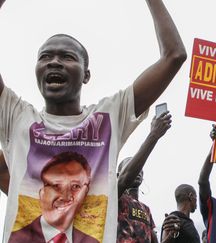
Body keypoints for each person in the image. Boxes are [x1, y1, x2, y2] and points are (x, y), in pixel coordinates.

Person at [0, 0, 186, 241]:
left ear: (86, 75)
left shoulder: (109, 117)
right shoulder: (16, 117)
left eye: (67, 57)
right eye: (45, 56)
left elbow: (174, 55)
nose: (54, 62)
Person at [9, 151, 98, 242]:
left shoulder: (94, 241)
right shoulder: (15, 239)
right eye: (56, 185)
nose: (66, 196)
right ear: (42, 193)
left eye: (75, 186)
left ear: (86, 193)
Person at [117, 112, 172, 243]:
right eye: (132, 167)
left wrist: (169, 234)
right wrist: (154, 135)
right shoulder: (114, 199)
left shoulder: (146, 209)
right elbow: (124, 180)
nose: (138, 171)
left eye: (140, 169)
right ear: (118, 175)